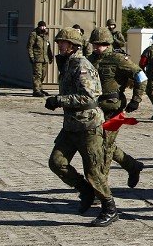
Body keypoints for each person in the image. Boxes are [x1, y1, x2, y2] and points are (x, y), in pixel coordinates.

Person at [45, 27, 118, 227]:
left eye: (63, 42)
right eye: (59, 42)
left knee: (94, 171)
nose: (59, 45)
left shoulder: (82, 65)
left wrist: (59, 100)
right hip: (71, 126)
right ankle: (85, 190)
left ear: (73, 46)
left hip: (89, 126)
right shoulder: (68, 63)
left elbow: (90, 96)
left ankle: (109, 208)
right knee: (56, 162)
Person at [89, 28, 147, 190]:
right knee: (98, 144)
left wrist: (136, 99)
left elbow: (141, 76)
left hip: (113, 109)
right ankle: (132, 165)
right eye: (95, 44)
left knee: (105, 148)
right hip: (94, 110)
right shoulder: (89, 60)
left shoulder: (118, 59)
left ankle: (100, 189)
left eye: (101, 44)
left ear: (108, 44)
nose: (97, 47)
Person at [27, 21, 52, 97]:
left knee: (43, 74)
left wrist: (50, 56)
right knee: (37, 74)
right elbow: (29, 47)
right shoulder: (34, 34)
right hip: (37, 58)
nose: (43, 28)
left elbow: (48, 47)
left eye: (44, 27)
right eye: (41, 26)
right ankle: (36, 90)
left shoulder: (45, 35)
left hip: (45, 58)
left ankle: (40, 88)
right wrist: (31, 57)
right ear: (38, 27)